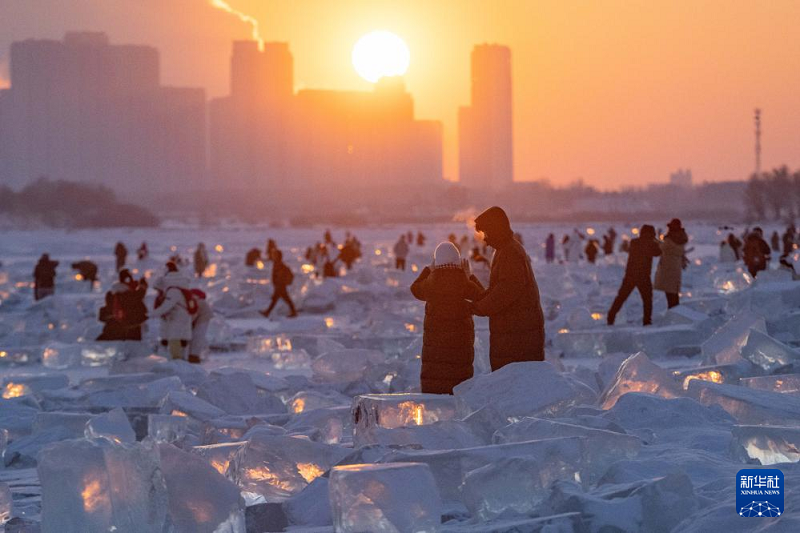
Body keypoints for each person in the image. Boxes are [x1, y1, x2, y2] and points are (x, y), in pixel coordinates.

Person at [471, 206, 545, 370]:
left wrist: (478, 307)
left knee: (517, 385)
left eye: (486, 233)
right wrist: (477, 298)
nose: (484, 239)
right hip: (514, 333)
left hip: (519, 337)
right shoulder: (504, 250)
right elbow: (497, 288)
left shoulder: (510, 253)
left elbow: (505, 291)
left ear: (495, 230)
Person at [410, 242, 485, 394]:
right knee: (458, 391)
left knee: (435, 394)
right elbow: (482, 296)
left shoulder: (430, 284)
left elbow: (415, 288)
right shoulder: (464, 283)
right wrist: (469, 275)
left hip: (435, 354)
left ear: (437, 262)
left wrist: (428, 270)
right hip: (460, 352)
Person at [607, 224, 662, 326]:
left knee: (621, 297)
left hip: (630, 275)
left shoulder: (634, 242)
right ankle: (647, 322)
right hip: (643, 277)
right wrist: (657, 239)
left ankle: (611, 317)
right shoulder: (651, 244)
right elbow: (659, 252)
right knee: (647, 300)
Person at [151, 262, 194, 360]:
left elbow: (166, 306)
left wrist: (151, 314)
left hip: (178, 320)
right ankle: (181, 362)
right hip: (180, 319)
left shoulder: (173, 291)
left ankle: (178, 363)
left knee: (174, 341)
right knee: (180, 342)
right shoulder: (180, 286)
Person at [97, 269, 148, 341]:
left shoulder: (111, 293)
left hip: (112, 328)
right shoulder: (129, 294)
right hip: (129, 330)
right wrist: (143, 287)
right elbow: (137, 297)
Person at [654, 218, 688, 309]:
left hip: (668, 266)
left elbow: (662, 247)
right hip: (676, 265)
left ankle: (673, 311)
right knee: (674, 291)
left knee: (669, 291)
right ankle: (676, 309)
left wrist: (656, 238)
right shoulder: (681, 237)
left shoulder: (669, 239)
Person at [260, 250, 298, 318]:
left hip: (280, 285)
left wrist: (278, 283)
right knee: (282, 299)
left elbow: (279, 275)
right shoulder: (277, 264)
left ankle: (267, 312)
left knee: (280, 299)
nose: (273, 256)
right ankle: (293, 311)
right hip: (279, 285)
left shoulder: (279, 264)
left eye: (275, 255)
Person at [188, 289, 212, 364]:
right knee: (198, 338)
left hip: (202, 321)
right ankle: (194, 355)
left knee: (197, 338)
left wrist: (189, 322)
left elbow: (194, 314)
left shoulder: (198, 302)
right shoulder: (201, 301)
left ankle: (194, 356)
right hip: (204, 320)